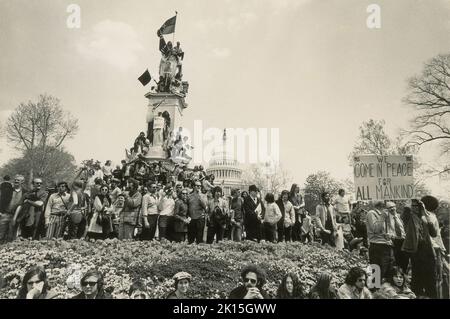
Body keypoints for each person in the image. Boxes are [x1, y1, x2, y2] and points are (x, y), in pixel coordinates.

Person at [402, 199, 438, 298]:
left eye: (417, 206)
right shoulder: (409, 217)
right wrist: (408, 204)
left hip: (428, 251)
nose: (415, 208)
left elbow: (434, 233)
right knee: (417, 280)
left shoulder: (425, 217)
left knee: (431, 280)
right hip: (416, 251)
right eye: (413, 206)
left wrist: (425, 213)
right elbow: (405, 214)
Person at [366, 200, 395, 279]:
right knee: (377, 275)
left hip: (387, 246)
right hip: (377, 246)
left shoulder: (387, 215)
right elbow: (375, 229)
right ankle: (376, 290)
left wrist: (390, 235)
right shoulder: (372, 213)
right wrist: (382, 217)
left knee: (388, 272)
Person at [0, 174, 26, 243]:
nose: (16, 181)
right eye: (15, 180)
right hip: (5, 214)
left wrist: (18, 218)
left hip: (16, 216)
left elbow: (23, 205)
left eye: (18, 180)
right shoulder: (8, 189)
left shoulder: (25, 192)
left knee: (11, 236)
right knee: (1, 234)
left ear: (22, 182)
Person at [384, 201, 408, 272]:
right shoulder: (386, 219)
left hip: (404, 240)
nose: (392, 209)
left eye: (393, 207)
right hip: (395, 241)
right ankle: (398, 276)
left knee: (406, 260)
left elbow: (404, 228)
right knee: (397, 261)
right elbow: (386, 231)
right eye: (390, 208)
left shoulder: (400, 216)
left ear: (395, 207)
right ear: (387, 209)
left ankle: (404, 275)